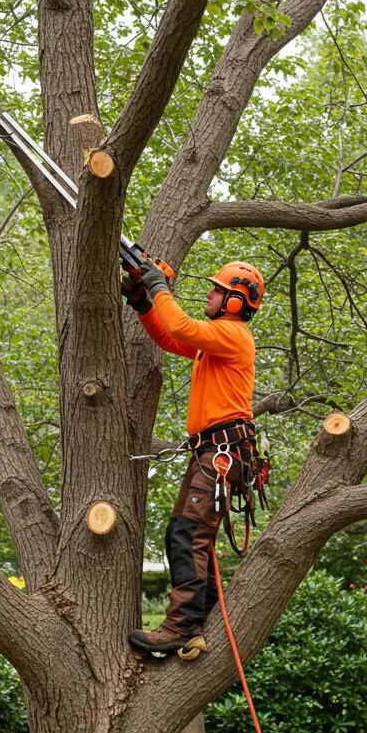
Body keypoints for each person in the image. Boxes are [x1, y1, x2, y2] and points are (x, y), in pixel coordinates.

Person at [123, 258, 265, 659]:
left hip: (222, 450)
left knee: (190, 533)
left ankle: (181, 626)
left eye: (216, 290)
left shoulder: (233, 334)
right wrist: (146, 306)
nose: (209, 293)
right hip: (210, 450)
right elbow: (172, 338)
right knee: (180, 532)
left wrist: (158, 287)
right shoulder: (215, 341)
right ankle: (202, 616)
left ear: (235, 302)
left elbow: (182, 326)